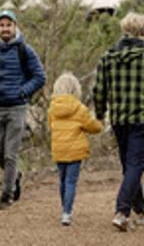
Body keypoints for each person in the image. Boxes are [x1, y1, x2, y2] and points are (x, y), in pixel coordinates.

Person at [93, 12, 144, 231]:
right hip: (141, 120)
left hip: (119, 121)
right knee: (135, 166)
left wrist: (100, 114)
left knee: (130, 167)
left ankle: (142, 210)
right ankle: (121, 211)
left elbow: (99, 90)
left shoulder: (108, 57)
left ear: (124, 30)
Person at [0, 8, 46, 209]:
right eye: (2, 25)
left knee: (10, 154)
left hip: (17, 108)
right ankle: (16, 176)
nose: (5, 28)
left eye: (9, 25)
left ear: (15, 26)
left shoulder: (25, 50)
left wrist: (23, 92)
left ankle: (6, 195)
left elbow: (40, 76)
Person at [48, 72, 103, 226]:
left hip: (59, 149)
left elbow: (51, 126)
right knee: (71, 182)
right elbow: (92, 127)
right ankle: (67, 212)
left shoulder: (52, 108)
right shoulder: (79, 108)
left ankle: (64, 209)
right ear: (75, 89)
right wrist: (100, 124)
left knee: (62, 180)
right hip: (75, 151)